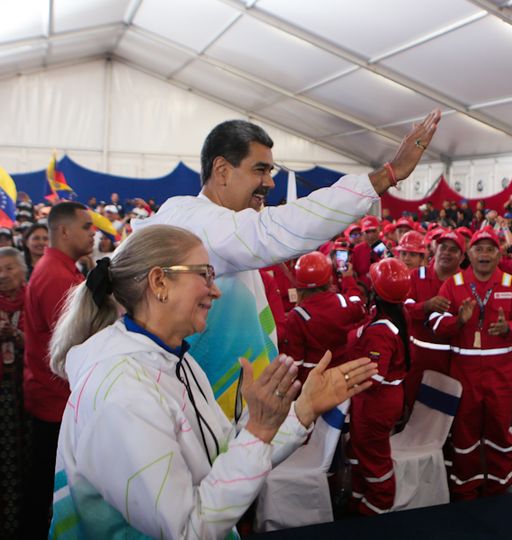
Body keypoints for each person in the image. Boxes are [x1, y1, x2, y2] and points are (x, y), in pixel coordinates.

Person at [46, 225, 377, 537]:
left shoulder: (178, 360)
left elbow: (226, 459)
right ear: (159, 282)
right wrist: (260, 429)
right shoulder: (122, 393)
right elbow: (188, 530)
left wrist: (304, 408)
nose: (215, 291)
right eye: (204, 275)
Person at [134, 111, 440, 420]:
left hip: (235, 417)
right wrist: (389, 173)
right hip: (199, 419)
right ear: (222, 170)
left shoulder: (224, 227)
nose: (269, 182)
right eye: (260, 170)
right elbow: (276, 230)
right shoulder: (195, 223)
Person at [432, 228, 512, 499]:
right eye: (478, 249)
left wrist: (509, 328)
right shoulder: (453, 284)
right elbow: (434, 323)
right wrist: (458, 322)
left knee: (499, 431)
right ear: (469, 253)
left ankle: (499, 485)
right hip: (463, 372)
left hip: (500, 373)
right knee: (464, 432)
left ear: (498, 253)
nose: (484, 254)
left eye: (490, 249)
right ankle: (466, 487)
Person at [21, 202, 94, 538]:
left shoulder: (63, 269)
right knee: (49, 486)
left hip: (54, 395)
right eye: (86, 227)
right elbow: (78, 341)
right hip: (55, 400)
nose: (93, 233)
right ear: (64, 231)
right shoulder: (56, 276)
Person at [347, 258, 411, 515]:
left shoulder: (381, 330)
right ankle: (362, 498)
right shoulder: (395, 314)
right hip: (382, 399)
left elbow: (372, 377)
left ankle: (379, 506)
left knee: (374, 457)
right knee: (365, 451)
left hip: (375, 402)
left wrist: (343, 382)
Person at [281, 251, 366, 384]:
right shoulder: (342, 301)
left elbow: (296, 361)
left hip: (313, 382)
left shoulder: (297, 315)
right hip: (343, 375)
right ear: (330, 279)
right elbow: (360, 307)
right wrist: (348, 279)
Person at [403, 230, 464, 409]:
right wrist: (426, 305)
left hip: (452, 360)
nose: (446, 252)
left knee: (445, 410)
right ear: (434, 250)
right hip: (418, 357)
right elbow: (405, 309)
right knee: (414, 406)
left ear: (462, 257)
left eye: (453, 250)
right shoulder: (416, 276)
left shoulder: (466, 281)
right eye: (443, 247)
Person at [0, 248, 28, 537]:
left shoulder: (32, 300)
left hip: (29, 390)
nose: (2, 275)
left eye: (9, 268)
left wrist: (19, 337)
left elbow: (48, 340)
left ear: (22, 271)